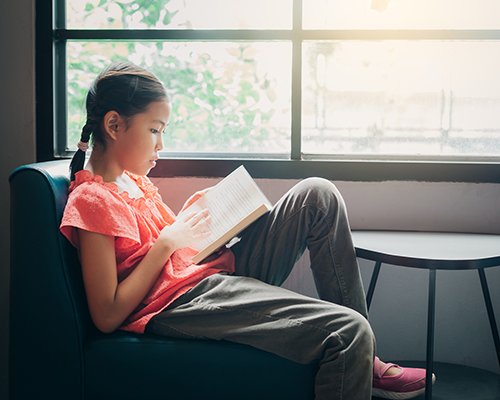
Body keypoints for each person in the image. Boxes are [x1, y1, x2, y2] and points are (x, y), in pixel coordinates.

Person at [60, 62, 435, 400]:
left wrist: (200, 218)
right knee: (349, 332)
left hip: (203, 272)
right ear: (113, 125)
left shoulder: (133, 182)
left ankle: (367, 363)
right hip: (182, 302)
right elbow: (107, 315)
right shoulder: (92, 200)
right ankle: (361, 355)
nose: (162, 144)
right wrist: (165, 244)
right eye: (155, 130)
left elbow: (169, 242)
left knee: (317, 195)